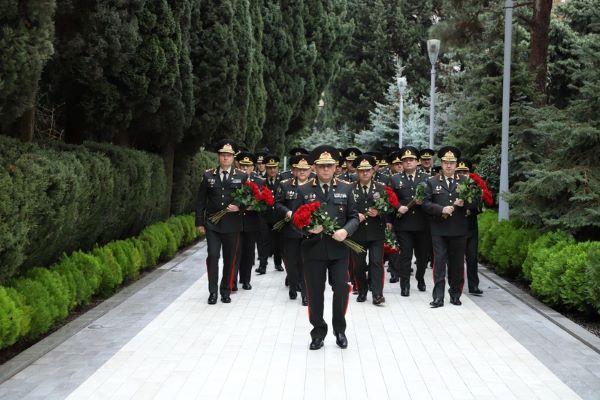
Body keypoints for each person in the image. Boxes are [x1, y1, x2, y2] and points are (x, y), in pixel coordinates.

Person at [296, 145, 359, 350]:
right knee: (315, 292)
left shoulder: (346, 188)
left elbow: (354, 217)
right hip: (313, 249)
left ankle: (339, 330)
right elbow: (295, 220)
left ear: (335, 167)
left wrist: (346, 231)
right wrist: (308, 229)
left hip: (339, 249)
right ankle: (318, 332)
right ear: (314, 167)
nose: (325, 169)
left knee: (341, 288)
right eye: (322, 166)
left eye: (329, 166)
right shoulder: (304, 189)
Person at [422, 146, 477, 308]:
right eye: (446, 162)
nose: (448, 165)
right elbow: (425, 204)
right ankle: (438, 297)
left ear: (456, 164)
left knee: (457, 264)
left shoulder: (465, 181)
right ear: (441, 163)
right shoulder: (431, 182)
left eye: (452, 163)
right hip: (439, 229)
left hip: (459, 229)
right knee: (439, 263)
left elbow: (475, 203)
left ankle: (455, 294)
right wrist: (441, 209)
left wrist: (465, 202)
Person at [196, 139, 247, 304]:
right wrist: (199, 222)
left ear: (233, 158)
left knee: (229, 258)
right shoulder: (208, 175)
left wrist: (239, 207)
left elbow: (249, 199)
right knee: (213, 256)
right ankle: (212, 292)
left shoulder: (241, 176)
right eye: (223, 155)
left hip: (232, 224)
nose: (226, 158)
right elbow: (200, 201)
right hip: (213, 224)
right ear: (218, 157)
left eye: (229, 155)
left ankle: (225, 290)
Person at [390, 146, 431, 296]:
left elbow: (432, 198)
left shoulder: (427, 178)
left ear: (417, 161)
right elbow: (390, 199)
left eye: (411, 160)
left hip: (422, 224)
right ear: (401, 162)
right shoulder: (395, 179)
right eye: (405, 160)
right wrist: (397, 208)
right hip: (404, 224)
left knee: (422, 257)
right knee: (405, 255)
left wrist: (424, 202)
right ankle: (405, 285)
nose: (408, 162)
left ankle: (420, 278)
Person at [274, 154, 312, 305]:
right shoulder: (285, 185)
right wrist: (287, 212)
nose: (302, 172)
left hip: (309, 231)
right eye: (299, 169)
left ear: (310, 170)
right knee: (291, 262)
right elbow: (277, 204)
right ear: (294, 170)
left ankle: (305, 294)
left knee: (306, 262)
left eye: (305, 169)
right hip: (290, 230)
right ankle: (293, 284)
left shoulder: (315, 185)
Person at [349, 155, 387, 305]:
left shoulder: (381, 188)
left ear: (373, 171)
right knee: (358, 265)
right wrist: (355, 215)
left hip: (376, 232)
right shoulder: (350, 188)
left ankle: (377, 294)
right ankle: (362, 290)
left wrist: (379, 213)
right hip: (357, 233)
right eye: (361, 170)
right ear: (357, 172)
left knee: (376, 262)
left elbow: (389, 209)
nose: (365, 173)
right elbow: (345, 209)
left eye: (368, 170)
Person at [235, 151, 265, 290]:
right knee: (236, 252)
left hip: (252, 222)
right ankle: (232, 281)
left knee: (248, 252)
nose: (245, 168)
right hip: (235, 221)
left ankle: (246, 279)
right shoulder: (234, 179)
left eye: (248, 166)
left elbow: (265, 203)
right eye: (242, 165)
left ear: (253, 167)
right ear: (238, 165)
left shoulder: (259, 181)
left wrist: (256, 205)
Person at [456, 158, 484, 296]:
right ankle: (457, 285)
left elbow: (478, 206)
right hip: (457, 228)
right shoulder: (452, 186)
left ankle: (473, 286)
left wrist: (468, 208)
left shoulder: (475, 187)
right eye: (459, 172)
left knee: (472, 258)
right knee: (457, 258)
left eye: (465, 172)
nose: (462, 174)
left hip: (471, 227)